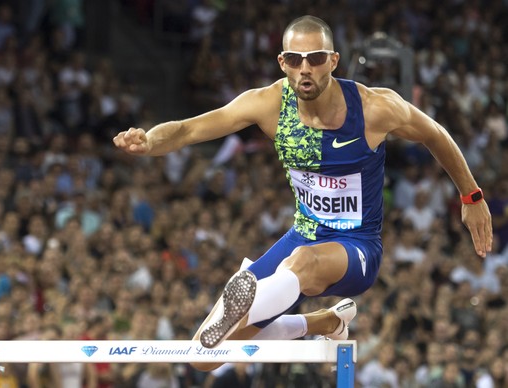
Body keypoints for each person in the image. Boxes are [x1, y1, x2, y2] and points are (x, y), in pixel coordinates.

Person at [113, 15, 492, 371]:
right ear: (282, 62)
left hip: (357, 247)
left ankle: (248, 299)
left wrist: (471, 197)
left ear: (333, 61)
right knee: (204, 357)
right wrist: (148, 140)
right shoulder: (269, 104)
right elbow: (187, 130)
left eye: (315, 58)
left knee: (301, 263)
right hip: (303, 235)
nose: (305, 68)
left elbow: (435, 134)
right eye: (295, 59)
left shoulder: (374, 107)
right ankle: (318, 320)